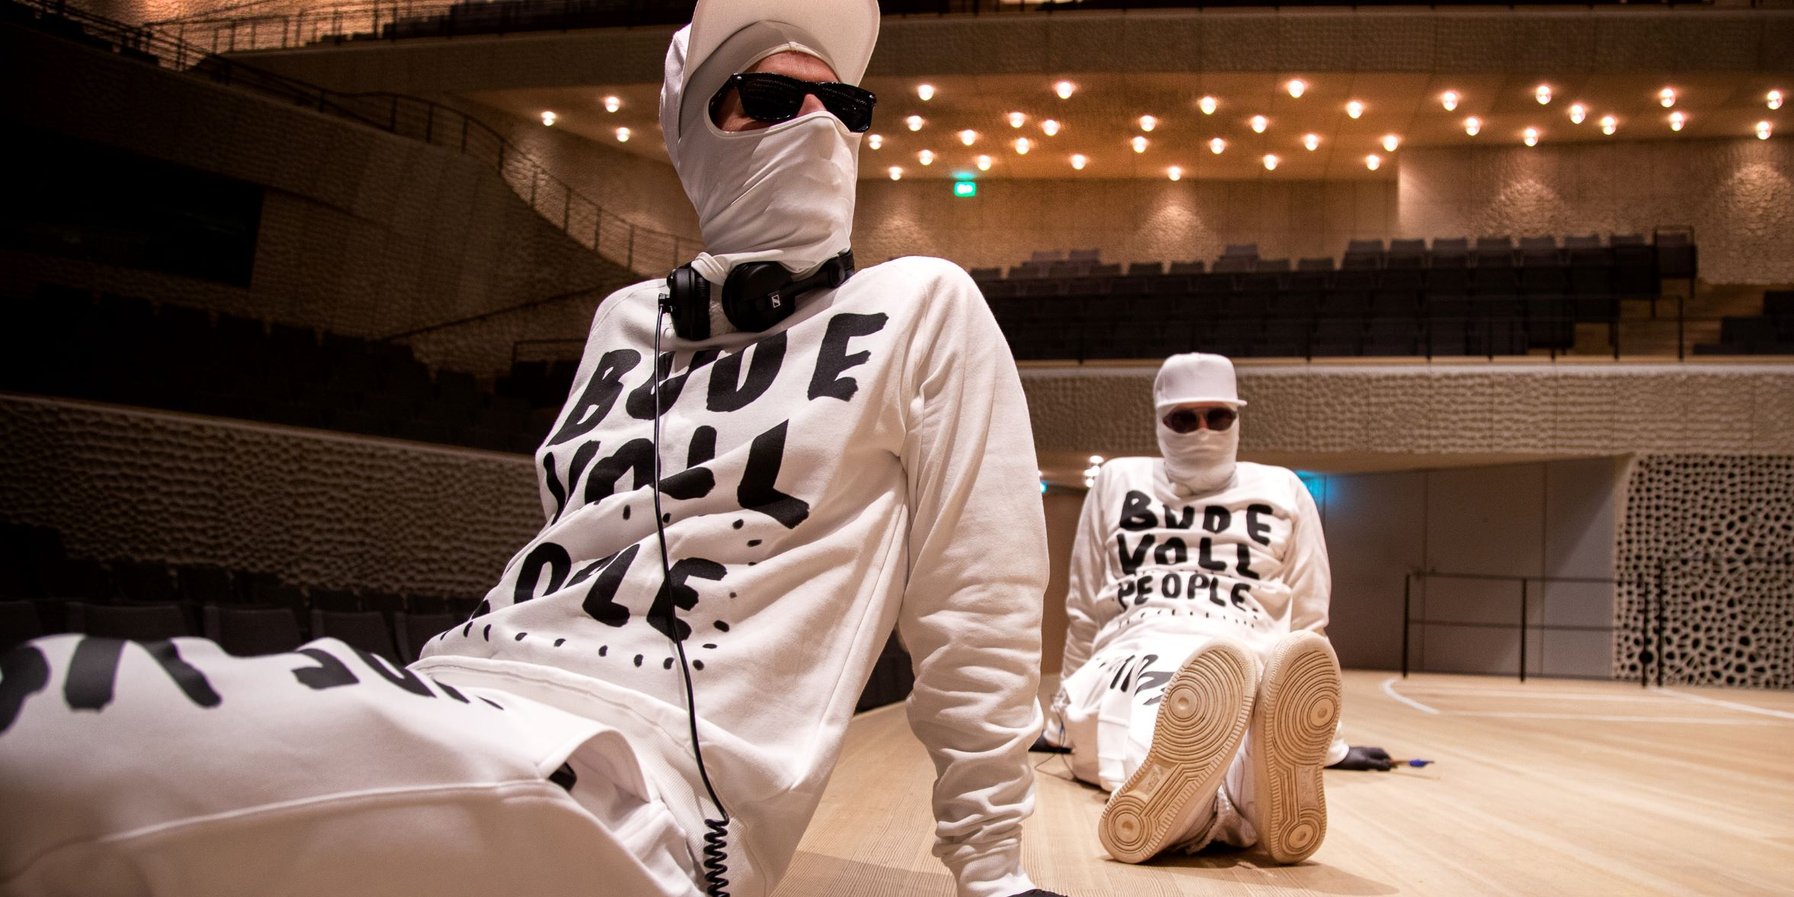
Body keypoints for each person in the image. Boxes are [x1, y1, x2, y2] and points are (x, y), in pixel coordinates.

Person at [0, 2, 1067, 896]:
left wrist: (990, 869)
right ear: (695, 131)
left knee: (57, 728)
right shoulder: (622, 321)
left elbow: (982, 593)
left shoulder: (923, 304)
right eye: (775, 100)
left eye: (843, 104)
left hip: (640, 786)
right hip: (460, 688)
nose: (817, 125)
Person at [1041, 352, 1347, 865]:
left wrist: (1327, 738)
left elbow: (1309, 620)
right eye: (1184, 419)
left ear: (1237, 418)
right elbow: (1083, 604)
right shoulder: (1118, 480)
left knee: (1250, 695)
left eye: (1218, 417)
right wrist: (1060, 720)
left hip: (1250, 647)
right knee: (1155, 702)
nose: (1202, 430)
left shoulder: (1284, 488)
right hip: (1137, 639)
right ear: (1159, 421)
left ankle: (1191, 811)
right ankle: (1249, 802)